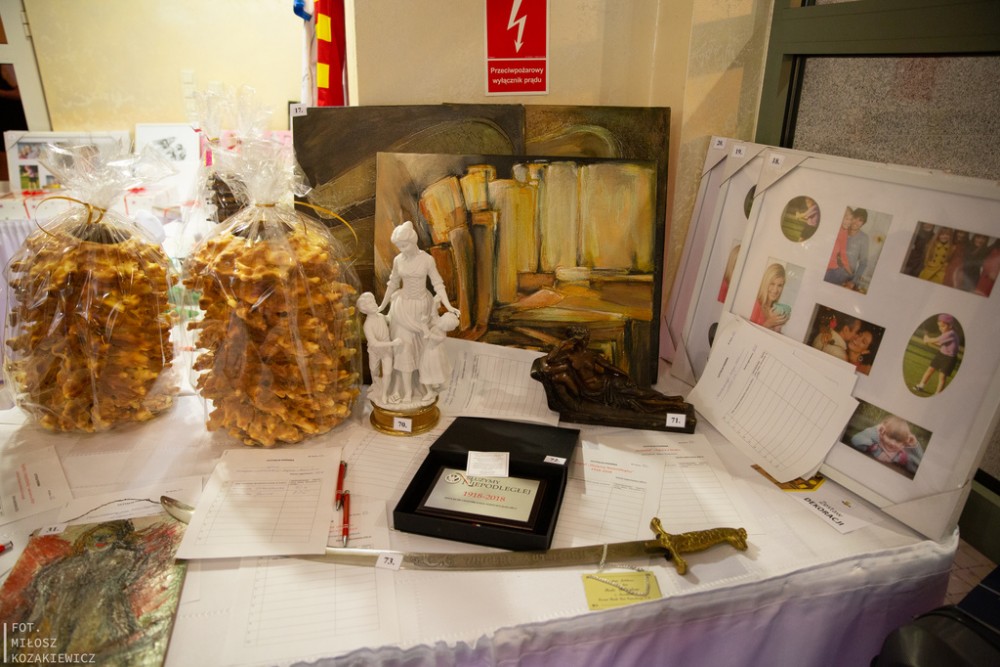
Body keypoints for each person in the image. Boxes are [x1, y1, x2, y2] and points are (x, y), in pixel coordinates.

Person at [376, 220, 460, 404]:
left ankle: (425, 387)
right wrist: (381, 306)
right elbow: (393, 283)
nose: (402, 249)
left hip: (422, 307)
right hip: (403, 308)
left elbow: (438, 283)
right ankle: (406, 392)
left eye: (404, 245)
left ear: (413, 241)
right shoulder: (398, 260)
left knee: (424, 351)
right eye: (399, 246)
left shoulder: (427, 259)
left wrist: (448, 306)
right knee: (404, 350)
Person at [358, 291, 401, 405]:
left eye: (373, 301)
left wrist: (395, 304)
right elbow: (374, 343)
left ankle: (384, 394)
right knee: (374, 369)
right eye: (369, 303)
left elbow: (390, 318)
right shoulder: (367, 325)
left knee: (387, 372)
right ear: (364, 309)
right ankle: (375, 384)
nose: (373, 304)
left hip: (387, 350)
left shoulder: (381, 316)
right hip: (375, 350)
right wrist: (392, 343)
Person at [851, 415, 924, 476]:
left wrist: (915, 446)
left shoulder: (902, 456)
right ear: (882, 432)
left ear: (903, 443)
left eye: (898, 441)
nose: (892, 443)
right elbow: (855, 440)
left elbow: (919, 468)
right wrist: (876, 430)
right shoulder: (875, 444)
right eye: (890, 437)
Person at [912, 313, 960, 394]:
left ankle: (937, 394)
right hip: (941, 354)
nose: (941, 328)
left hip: (949, 359)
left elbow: (935, 340)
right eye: (939, 326)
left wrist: (927, 340)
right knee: (930, 370)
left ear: (950, 325)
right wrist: (928, 341)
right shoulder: (946, 333)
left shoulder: (950, 333)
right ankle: (920, 386)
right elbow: (940, 344)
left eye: (943, 326)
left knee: (942, 376)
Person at [824, 207, 869, 289]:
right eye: (855, 218)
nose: (856, 222)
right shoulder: (842, 229)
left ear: (863, 223)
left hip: (846, 272)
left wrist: (853, 281)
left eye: (860, 220)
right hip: (831, 267)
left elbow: (863, 263)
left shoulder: (863, 238)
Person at [418, 308, 460, 393]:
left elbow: (428, 334)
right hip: (435, 351)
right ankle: (436, 384)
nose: (439, 320)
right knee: (435, 370)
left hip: (432, 353)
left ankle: (430, 391)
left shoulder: (441, 336)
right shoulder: (439, 324)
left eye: (441, 320)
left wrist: (423, 323)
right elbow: (434, 315)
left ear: (445, 326)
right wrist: (435, 304)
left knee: (426, 370)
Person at [749, 263, 789, 331]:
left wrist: (778, 327)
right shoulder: (755, 305)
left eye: (780, 285)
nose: (775, 290)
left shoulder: (774, 309)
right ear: (766, 282)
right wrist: (769, 323)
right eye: (772, 284)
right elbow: (748, 333)